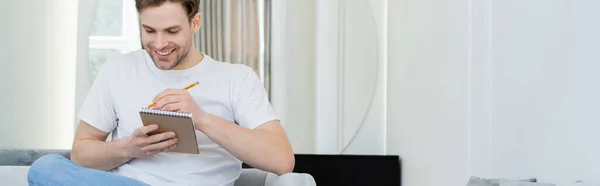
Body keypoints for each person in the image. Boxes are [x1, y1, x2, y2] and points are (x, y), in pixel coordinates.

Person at [27, 0, 295, 185]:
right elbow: (81, 153)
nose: (159, 43)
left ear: (195, 22)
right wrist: (129, 148)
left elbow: (282, 160)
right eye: (149, 30)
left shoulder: (237, 78)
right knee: (45, 167)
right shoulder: (118, 69)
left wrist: (202, 119)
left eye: (172, 31)